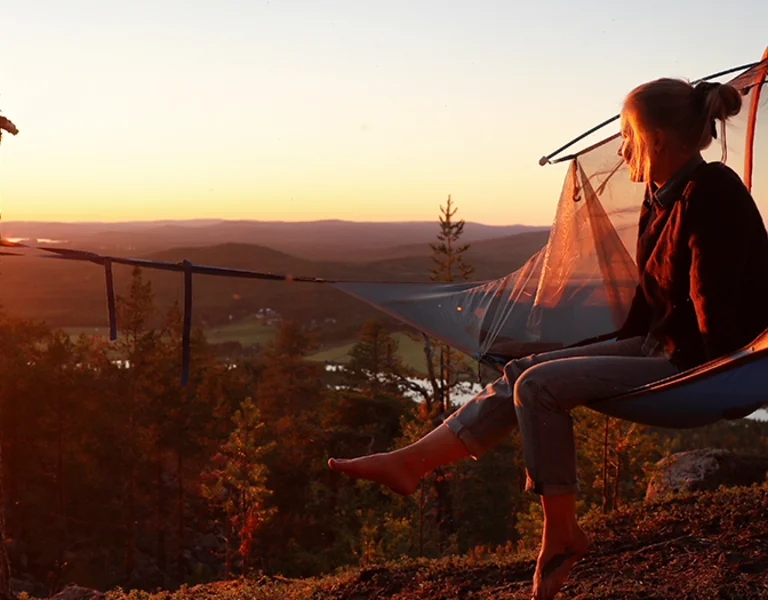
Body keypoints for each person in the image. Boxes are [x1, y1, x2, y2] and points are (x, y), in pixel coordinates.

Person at [328, 78, 768, 600]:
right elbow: (648, 310)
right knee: (526, 370)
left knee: (539, 389)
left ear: (659, 138)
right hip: (664, 347)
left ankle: (561, 535)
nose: (622, 148)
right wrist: (581, 353)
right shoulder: (662, 195)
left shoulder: (712, 191)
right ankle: (412, 463)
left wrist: (705, 373)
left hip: (704, 366)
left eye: (628, 135)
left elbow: (710, 311)